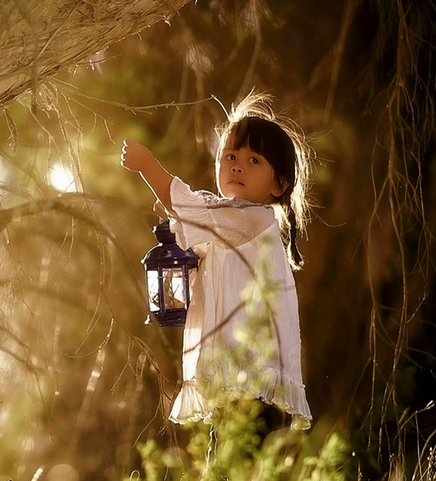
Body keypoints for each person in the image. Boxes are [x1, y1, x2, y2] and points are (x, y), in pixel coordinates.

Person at [120, 93, 313, 431]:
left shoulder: (251, 219)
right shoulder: (233, 224)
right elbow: (194, 225)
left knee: (234, 472)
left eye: (254, 161)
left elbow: (190, 207)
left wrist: (147, 164)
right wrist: (176, 215)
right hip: (241, 382)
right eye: (231, 156)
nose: (237, 165)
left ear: (279, 184)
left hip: (252, 382)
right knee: (235, 474)